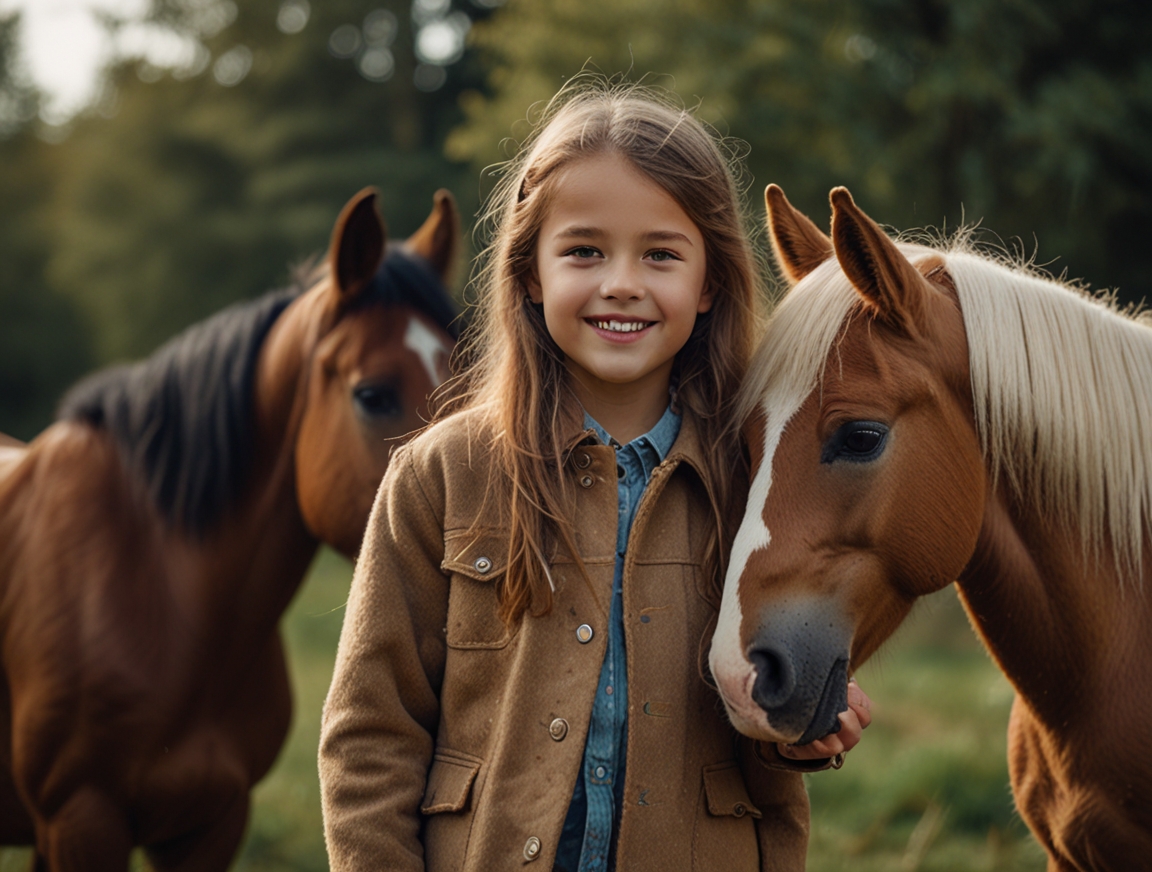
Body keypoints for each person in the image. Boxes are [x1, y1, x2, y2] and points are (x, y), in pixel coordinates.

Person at [318, 78, 872, 872]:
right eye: (584, 250)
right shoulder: (437, 477)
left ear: (709, 281)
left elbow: (770, 723)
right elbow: (370, 736)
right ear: (531, 273)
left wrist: (805, 729)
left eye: (660, 254)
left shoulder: (754, 480)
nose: (621, 282)